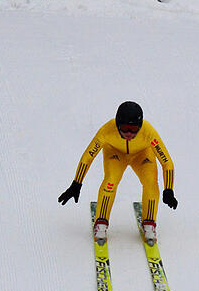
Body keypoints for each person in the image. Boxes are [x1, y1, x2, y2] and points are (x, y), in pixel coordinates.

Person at [58, 101, 177, 246]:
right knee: (110, 181)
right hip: (115, 153)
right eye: (125, 128)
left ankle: (149, 223)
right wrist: (76, 183)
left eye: (134, 129)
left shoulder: (148, 132)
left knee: (151, 183)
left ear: (140, 126)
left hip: (142, 154)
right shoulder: (107, 130)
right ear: (117, 124)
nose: (129, 134)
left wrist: (168, 189)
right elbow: (88, 156)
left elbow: (167, 162)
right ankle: (101, 221)